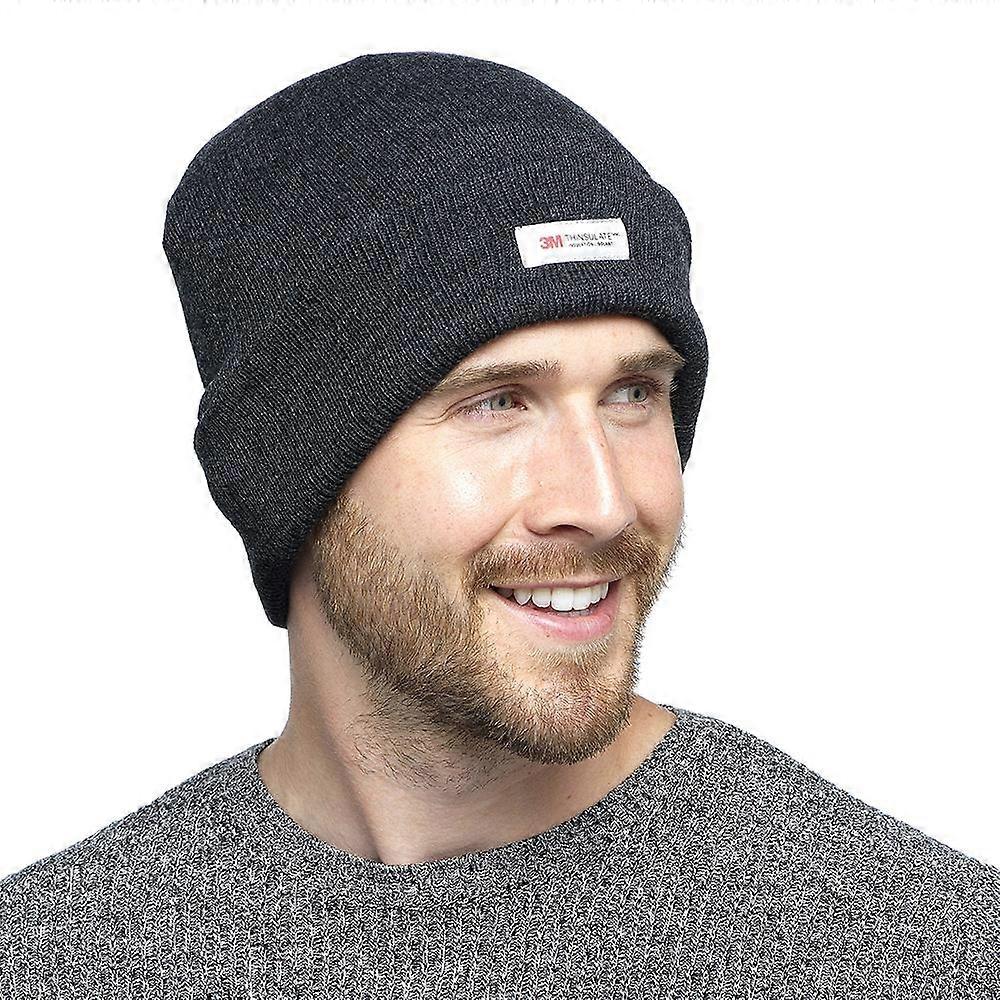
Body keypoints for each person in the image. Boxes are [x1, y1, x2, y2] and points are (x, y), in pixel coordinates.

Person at [1, 50, 997, 999]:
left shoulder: (918, 948)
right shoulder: (58, 956)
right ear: (289, 468)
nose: (603, 502)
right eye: (497, 403)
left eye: (634, 394)